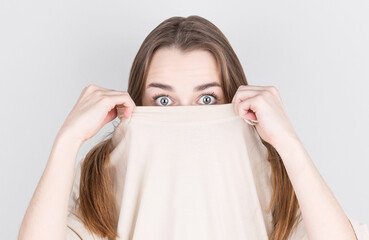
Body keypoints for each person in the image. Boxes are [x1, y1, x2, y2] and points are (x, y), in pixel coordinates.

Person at [18, 15, 366, 240]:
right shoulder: (98, 176)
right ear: (134, 104)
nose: (185, 117)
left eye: (207, 100)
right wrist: (67, 141)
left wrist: (289, 144)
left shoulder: (276, 175)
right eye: (163, 101)